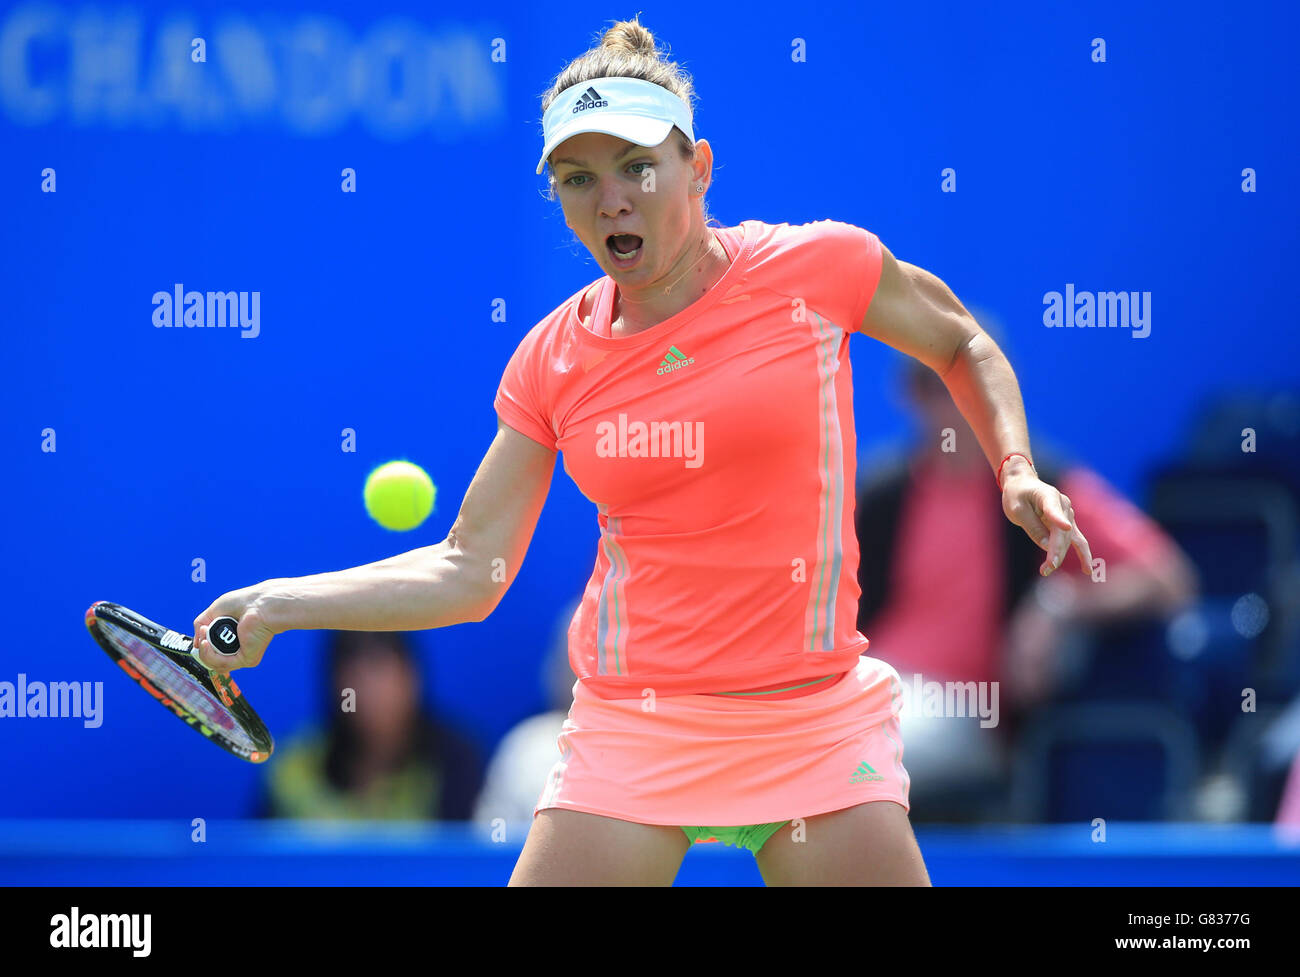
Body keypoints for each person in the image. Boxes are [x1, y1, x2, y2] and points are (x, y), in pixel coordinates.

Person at [191, 17, 1093, 886]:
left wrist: (1015, 467)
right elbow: (470, 567)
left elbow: (960, 341)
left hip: (811, 716)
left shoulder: (819, 270)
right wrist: (277, 604)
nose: (611, 197)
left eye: (636, 166)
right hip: (637, 723)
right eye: (578, 179)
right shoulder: (552, 357)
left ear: (696, 169)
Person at [856, 349, 1199, 820]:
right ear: (911, 396)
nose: (954, 405)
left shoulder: (1044, 488)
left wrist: (1060, 604)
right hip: (865, 687)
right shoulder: (880, 494)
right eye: (935, 387)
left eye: (971, 387)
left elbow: (1168, 578)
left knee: (859, 750)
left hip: (966, 714)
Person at [261, 631, 483, 821]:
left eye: (381, 670)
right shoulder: (293, 766)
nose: (370, 692)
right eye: (356, 675)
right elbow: (261, 863)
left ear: (413, 677)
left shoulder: (456, 762)